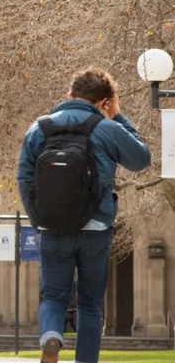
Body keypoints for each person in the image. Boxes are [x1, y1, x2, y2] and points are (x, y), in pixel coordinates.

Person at [17, 68, 150, 363]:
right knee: (91, 304)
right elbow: (141, 159)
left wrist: (39, 221)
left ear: (69, 95)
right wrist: (118, 116)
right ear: (104, 101)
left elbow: (24, 180)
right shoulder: (107, 128)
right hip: (96, 228)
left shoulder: (38, 129)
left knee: (53, 297)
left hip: (53, 229)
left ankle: (51, 335)